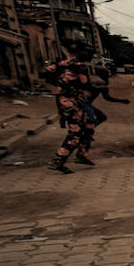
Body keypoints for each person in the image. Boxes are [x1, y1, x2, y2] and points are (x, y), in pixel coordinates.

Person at [43, 41, 95, 173]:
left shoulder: (64, 62)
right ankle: (58, 160)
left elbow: (48, 70)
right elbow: (85, 83)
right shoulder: (80, 67)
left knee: (86, 127)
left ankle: (80, 155)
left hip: (62, 99)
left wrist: (59, 83)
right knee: (75, 132)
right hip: (72, 102)